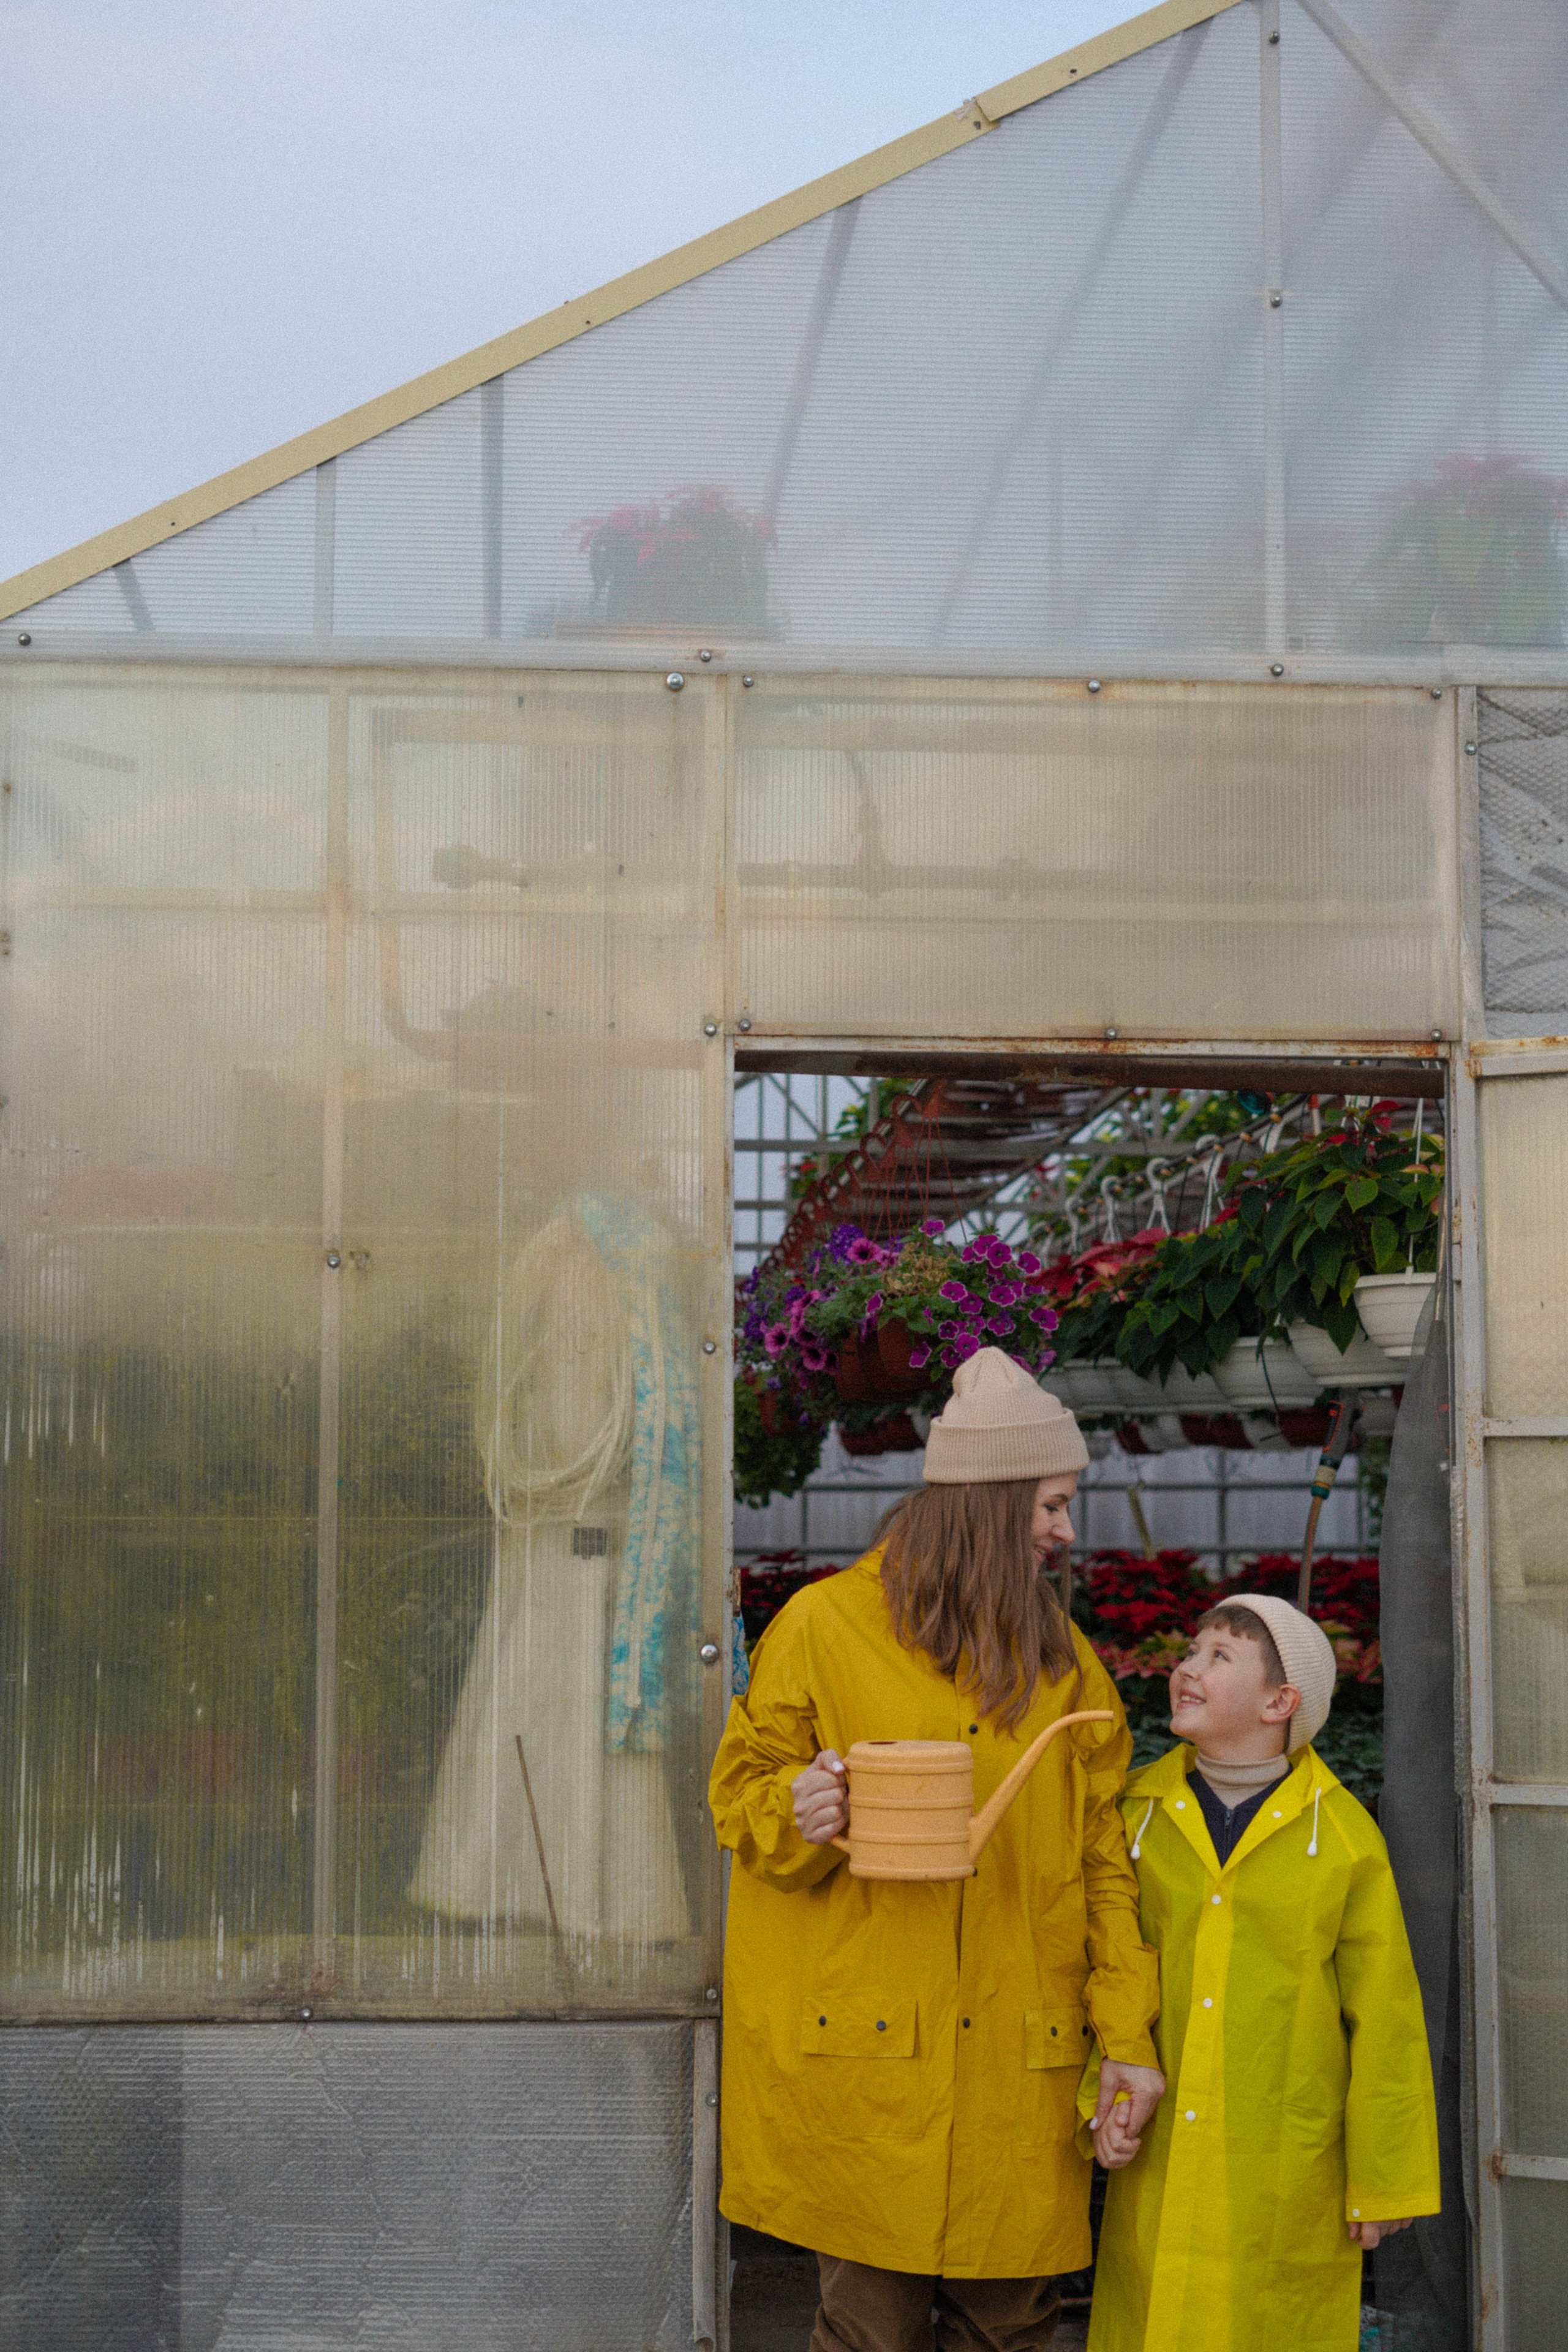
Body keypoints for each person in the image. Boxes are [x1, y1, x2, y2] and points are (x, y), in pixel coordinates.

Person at [709, 1347, 1163, 2352]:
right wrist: (803, 1809)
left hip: (1018, 2065)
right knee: (867, 2328)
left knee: (1012, 2330)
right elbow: (740, 1800)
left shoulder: (1066, 1667)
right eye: (1049, 1505)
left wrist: (1127, 2035)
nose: (1065, 1531)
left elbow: (1102, 1866)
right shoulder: (822, 1629)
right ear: (990, 1504)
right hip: (873, 2062)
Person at [1086, 1594, 1441, 2352]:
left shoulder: (1343, 1837)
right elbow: (1100, 1959)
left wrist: (1386, 2176)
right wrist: (1098, 2098)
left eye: (1219, 1657)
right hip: (1158, 2144)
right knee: (1154, 2314)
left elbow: (1386, 2017)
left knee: (1272, 2320)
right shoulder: (1133, 1813)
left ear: (1281, 1701)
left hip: (1287, 2157)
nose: (1187, 1668)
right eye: (1190, 1650)